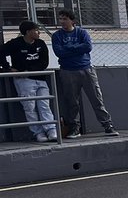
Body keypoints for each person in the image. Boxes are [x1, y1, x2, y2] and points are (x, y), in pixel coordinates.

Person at [51, 9, 118, 138]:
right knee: (72, 101)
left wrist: (69, 48)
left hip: (86, 68)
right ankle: (75, 128)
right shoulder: (57, 36)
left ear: (72, 20)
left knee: (96, 98)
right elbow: (59, 52)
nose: (62, 22)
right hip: (67, 70)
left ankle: (107, 125)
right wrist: (77, 49)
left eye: (65, 19)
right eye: (60, 19)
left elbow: (87, 47)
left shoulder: (81, 32)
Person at [1, 20, 58, 142]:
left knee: (44, 105)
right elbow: (1, 52)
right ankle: (38, 132)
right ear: (28, 32)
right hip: (24, 80)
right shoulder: (16, 43)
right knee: (29, 107)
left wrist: (29, 69)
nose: (39, 32)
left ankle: (51, 130)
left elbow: (44, 63)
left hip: (40, 79)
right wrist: (7, 68)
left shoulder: (41, 44)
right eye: (36, 30)